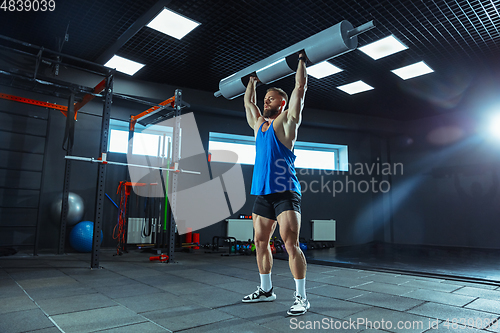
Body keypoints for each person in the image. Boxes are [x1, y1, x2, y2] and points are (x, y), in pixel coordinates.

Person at [241, 51, 309, 316]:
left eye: (271, 98)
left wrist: (301, 62)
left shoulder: (287, 123)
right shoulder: (259, 125)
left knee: (291, 244)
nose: (265, 101)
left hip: (285, 192)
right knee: (260, 242)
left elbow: (300, 90)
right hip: (262, 193)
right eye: (265, 98)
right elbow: (249, 104)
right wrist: (252, 82)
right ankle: (266, 290)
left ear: (282, 103)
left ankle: (301, 297)